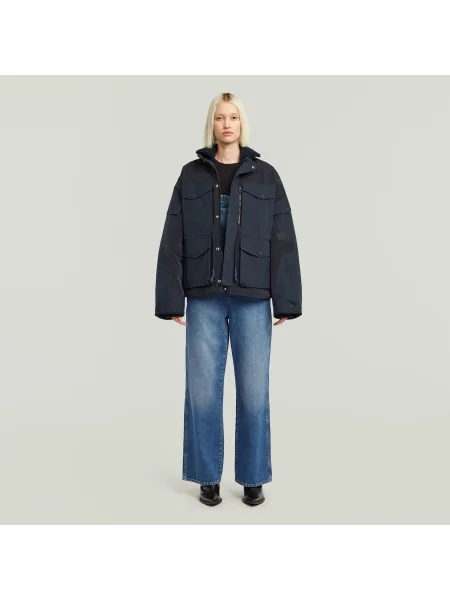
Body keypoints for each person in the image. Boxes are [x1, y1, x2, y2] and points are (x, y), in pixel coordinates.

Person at [155, 92, 302, 507]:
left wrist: (286, 300)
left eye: (233, 117)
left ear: (241, 123)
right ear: (212, 123)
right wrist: (171, 299)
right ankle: (207, 477)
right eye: (220, 117)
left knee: (254, 392)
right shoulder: (190, 175)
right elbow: (172, 235)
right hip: (204, 297)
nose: (226, 124)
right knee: (202, 391)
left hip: (253, 298)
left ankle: (253, 478)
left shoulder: (266, 176)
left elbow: (282, 237)